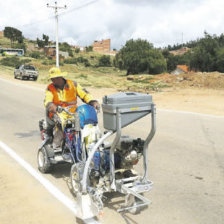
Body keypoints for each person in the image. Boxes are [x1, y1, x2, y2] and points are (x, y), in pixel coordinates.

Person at [44, 67, 100, 139]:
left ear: (60, 77)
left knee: (85, 124)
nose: (53, 81)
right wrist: (52, 106)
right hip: (58, 113)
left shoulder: (73, 84)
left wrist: (93, 102)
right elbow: (48, 100)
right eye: (52, 79)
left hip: (73, 112)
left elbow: (84, 94)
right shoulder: (50, 88)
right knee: (60, 126)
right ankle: (57, 147)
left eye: (55, 78)